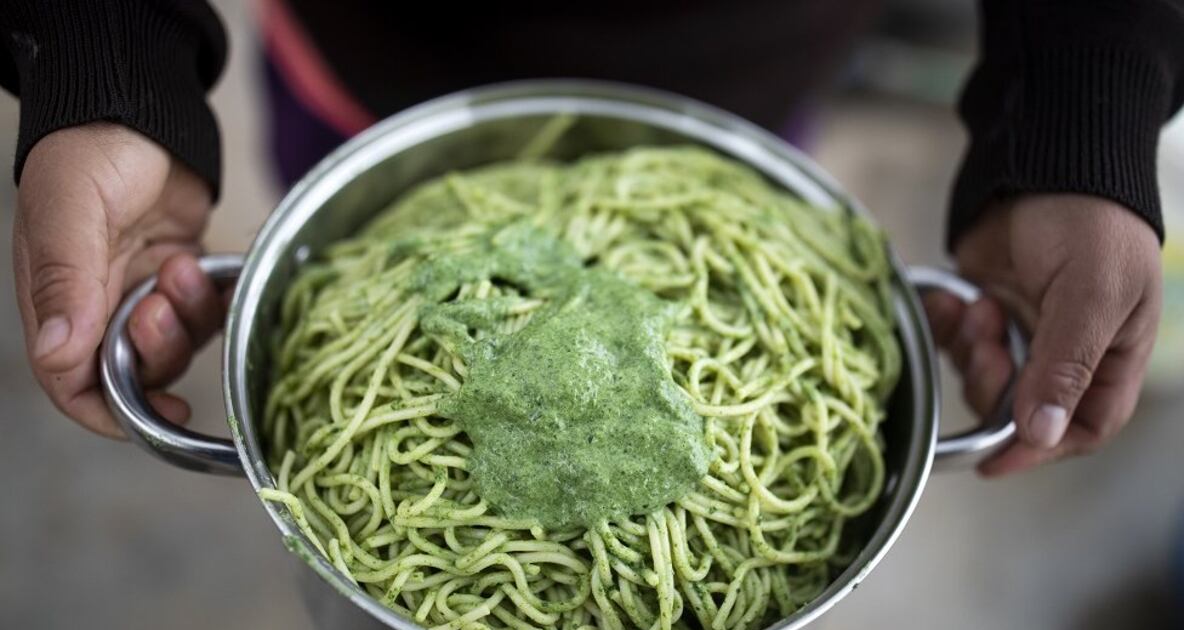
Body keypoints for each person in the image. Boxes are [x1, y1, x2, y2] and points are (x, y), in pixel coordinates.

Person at [1, 1, 1180, 477]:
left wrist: (1080, 97)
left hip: (748, 93)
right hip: (377, 69)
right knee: (363, 269)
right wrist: (103, 52)